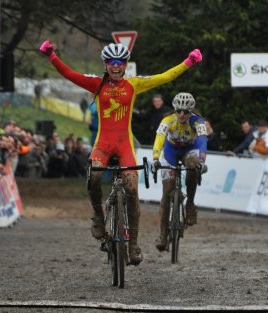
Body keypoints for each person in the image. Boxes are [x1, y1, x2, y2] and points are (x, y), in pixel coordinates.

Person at [39, 40, 202, 265]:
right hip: (103, 145)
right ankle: (98, 216)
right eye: (111, 62)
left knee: (133, 189)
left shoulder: (133, 84)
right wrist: (51, 56)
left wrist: (188, 62)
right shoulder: (96, 84)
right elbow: (69, 74)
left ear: (125, 64)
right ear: (105, 64)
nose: (116, 66)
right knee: (95, 175)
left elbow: (165, 76)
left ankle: (133, 244)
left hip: (124, 146)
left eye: (120, 62)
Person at [151, 92, 208, 251]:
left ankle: (190, 203)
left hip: (190, 150)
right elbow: (159, 140)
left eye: (186, 112)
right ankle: (163, 235)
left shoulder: (198, 122)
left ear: (191, 112)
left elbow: (203, 142)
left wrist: (202, 160)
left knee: (192, 167)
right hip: (171, 151)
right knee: (166, 193)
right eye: (179, 111)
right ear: (174, 110)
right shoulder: (167, 121)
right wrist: (155, 159)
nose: (182, 115)